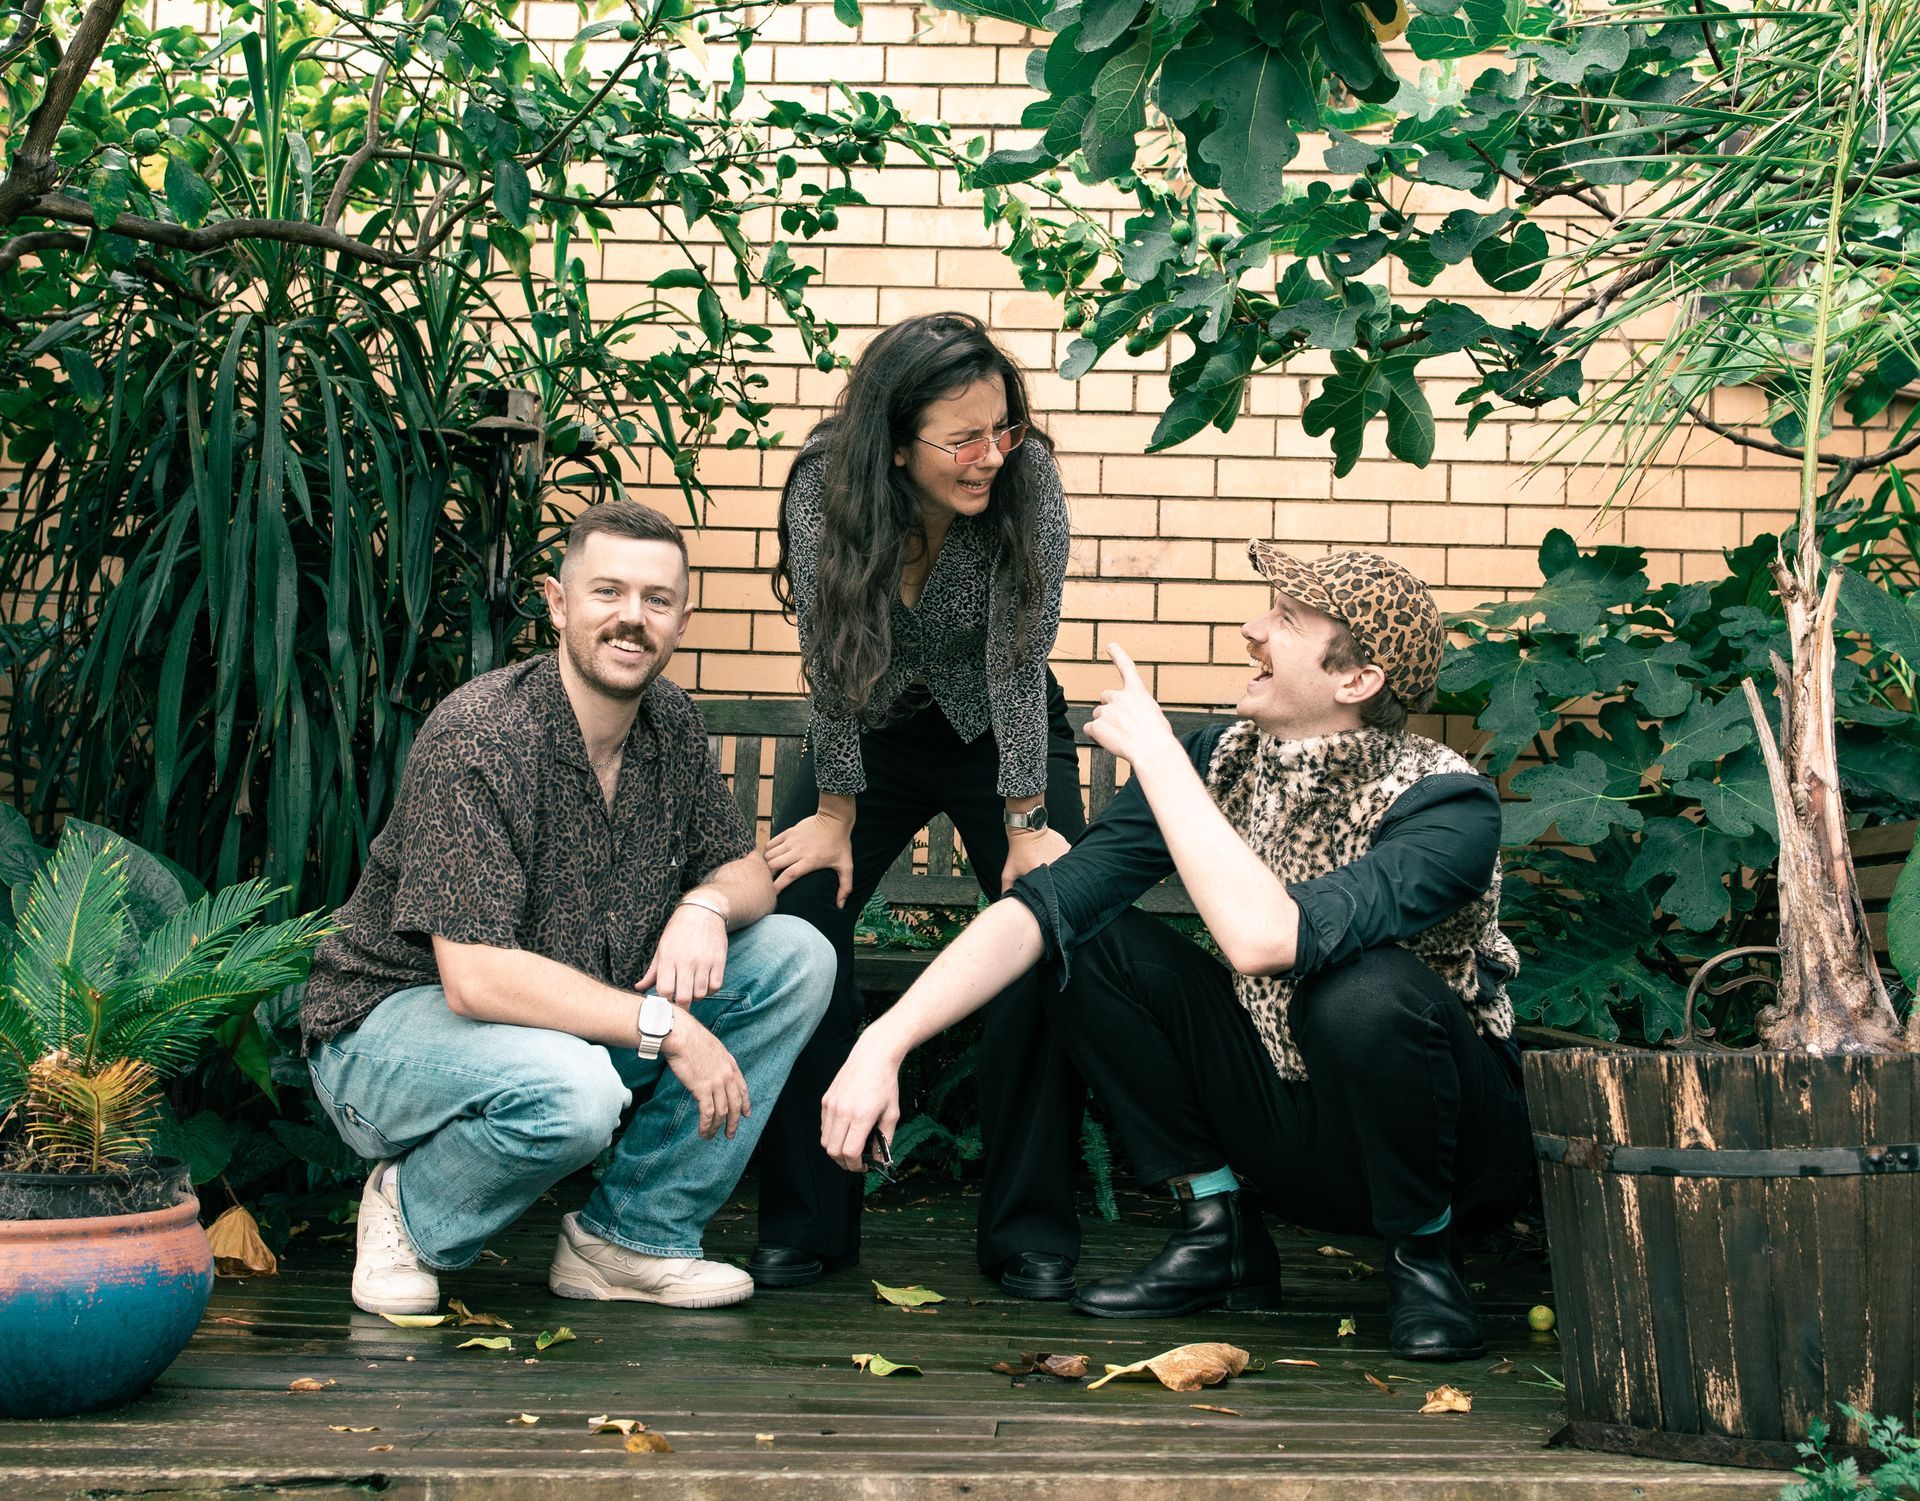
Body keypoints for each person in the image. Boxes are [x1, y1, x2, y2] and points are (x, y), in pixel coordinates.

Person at [817, 545, 1536, 1361]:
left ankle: (1425, 1259)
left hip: (1446, 1153)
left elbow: (1271, 942)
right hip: (1285, 1126)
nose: (1251, 630)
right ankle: (1219, 1228)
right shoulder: (1219, 760)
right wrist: (885, 1040)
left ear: (1357, 681)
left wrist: (1157, 759)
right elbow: (1040, 909)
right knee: (1080, 939)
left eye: (1287, 621)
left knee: (1358, 990)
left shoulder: (1447, 802)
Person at [298, 500, 834, 1317]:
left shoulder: (670, 724)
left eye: (656, 600)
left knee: (796, 954)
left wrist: (702, 904)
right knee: (574, 1092)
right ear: (556, 602)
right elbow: (475, 980)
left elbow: (751, 877)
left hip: (567, 1027)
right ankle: (408, 1211)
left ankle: (630, 1240)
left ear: (682, 619)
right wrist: (670, 1027)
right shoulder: (481, 734)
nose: (632, 618)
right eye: (607, 592)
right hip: (390, 1033)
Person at [750, 312, 1087, 1297]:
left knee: (1048, 927)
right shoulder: (825, 487)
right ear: (895, 440)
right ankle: (807, 1224)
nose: (991, 456)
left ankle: (1030, 1230)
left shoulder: (1031, 483)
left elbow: (1019, 658)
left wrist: (1026, 825)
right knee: (801, 922)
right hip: (873, 723)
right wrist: (838, 815)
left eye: (1004, 430)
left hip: (1004, 728)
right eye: (962, 438)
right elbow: (831, 651)